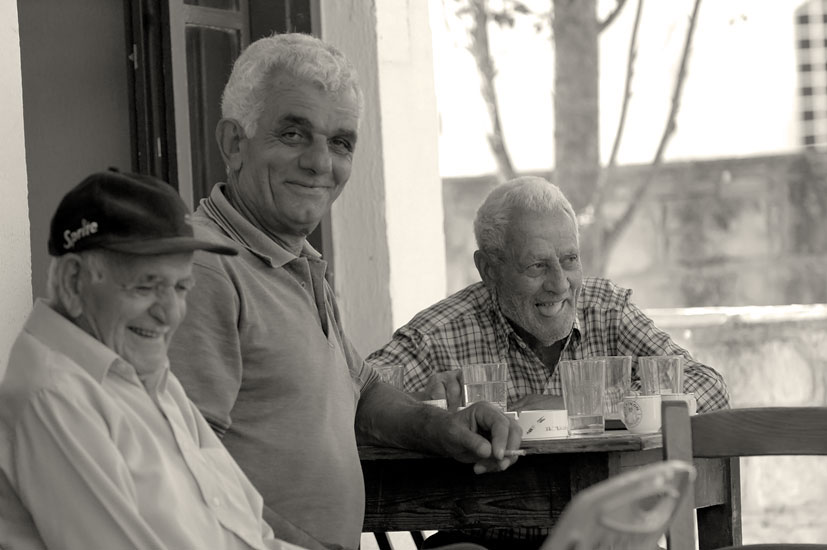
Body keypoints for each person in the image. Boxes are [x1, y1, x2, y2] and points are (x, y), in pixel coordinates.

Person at [167, 32, 522, 550]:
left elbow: (363, 393)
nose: (320, 163)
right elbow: (186, 469)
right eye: (293, 134)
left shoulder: (295, 259)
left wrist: (445, 428)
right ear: (234, 144)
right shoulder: (203, 267)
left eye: (340, 143)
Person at [365, 175, 731, 549]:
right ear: (489, 269)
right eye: (537, 266)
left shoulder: (607, 310)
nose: (559, 283)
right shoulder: (439, 332)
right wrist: (424, 410)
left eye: (569, 259)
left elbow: (709, 387)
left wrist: (580, 406)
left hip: (600, 540)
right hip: (480, 537)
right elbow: (353, 398)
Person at [0, 170, 313, 550]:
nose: (170, 313)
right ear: (73, 282)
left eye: (181, 287)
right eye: (147, 286)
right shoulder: (54, 394)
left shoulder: (146, 375)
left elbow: (249, 533)